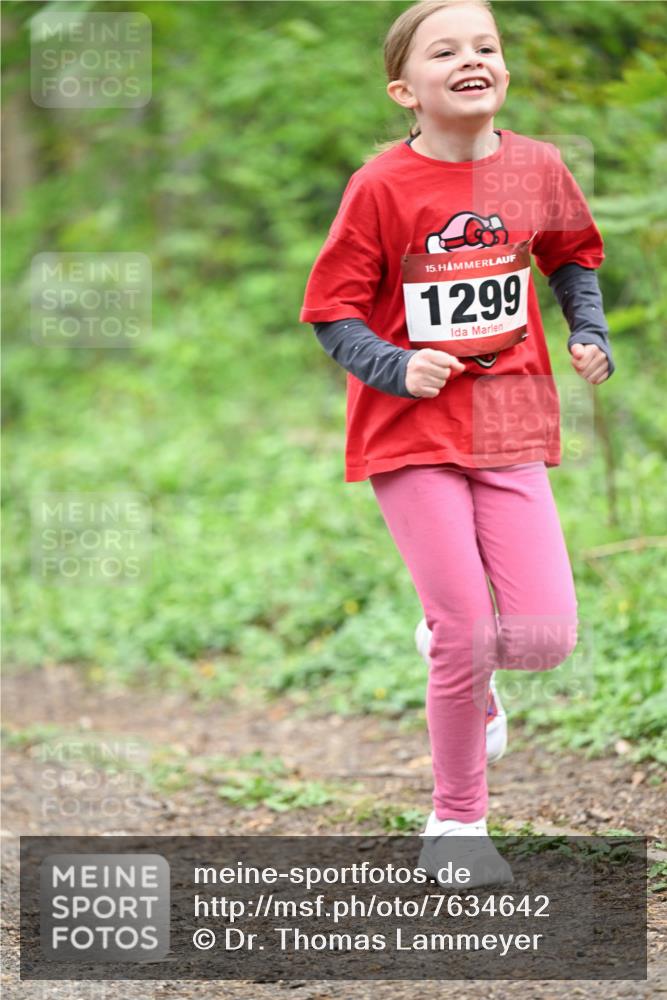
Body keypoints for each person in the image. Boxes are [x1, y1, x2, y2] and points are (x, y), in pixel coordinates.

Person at [299, 0, 614, 886]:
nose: (471, 58)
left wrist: (587, 329)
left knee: (544, 634)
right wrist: (395, 368)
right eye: (446, 51)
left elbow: (569, 255)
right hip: (408, 425)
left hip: (509, 415)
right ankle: (456, 823)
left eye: (485, 46)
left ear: (503, 71)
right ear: (406, 89)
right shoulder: (383, 186)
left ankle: (457, 655)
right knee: (467, 627)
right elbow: (331, 308)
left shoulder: (533, 167)